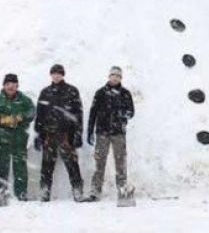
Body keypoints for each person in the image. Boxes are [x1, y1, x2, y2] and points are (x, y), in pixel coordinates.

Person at [34, 64, 85, 201]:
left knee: (72, 165)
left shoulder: (72, 91)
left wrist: (78, 134)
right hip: (49, 135)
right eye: (54, 73)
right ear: (51, 75)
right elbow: (39, 115)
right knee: (46, 166)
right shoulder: (45, 92)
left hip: (66, 136)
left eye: (59, 73)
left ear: (63, 75)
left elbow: (78, 114)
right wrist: (38, 134)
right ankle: (44, 192)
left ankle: (77, 191)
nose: (56, 75)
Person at [87, 66, 135, 201]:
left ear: (121, 78)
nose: (115, 78)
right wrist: (90, 132)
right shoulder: (100, 93)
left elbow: (131, 111)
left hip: (119, 133)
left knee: (121, 163)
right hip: (102, 133)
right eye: (113, 75)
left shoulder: (125, 93)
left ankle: (123, 193)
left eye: (118, 76)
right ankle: (95, 192)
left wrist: (123, 115)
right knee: (99, 163)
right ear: (109, 76)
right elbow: (93, 113)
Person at [0, 73, 35, 204]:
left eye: (13, 84)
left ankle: (21, 195)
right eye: (8, 84)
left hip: (20, 139)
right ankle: (0, 197)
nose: (10, 86)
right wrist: (2, 119)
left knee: (20, 167)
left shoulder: (24, 100)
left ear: (17, 85)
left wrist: (20, 117)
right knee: (3, 168)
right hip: (2, 139)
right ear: (4, 85)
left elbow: (32, 112)